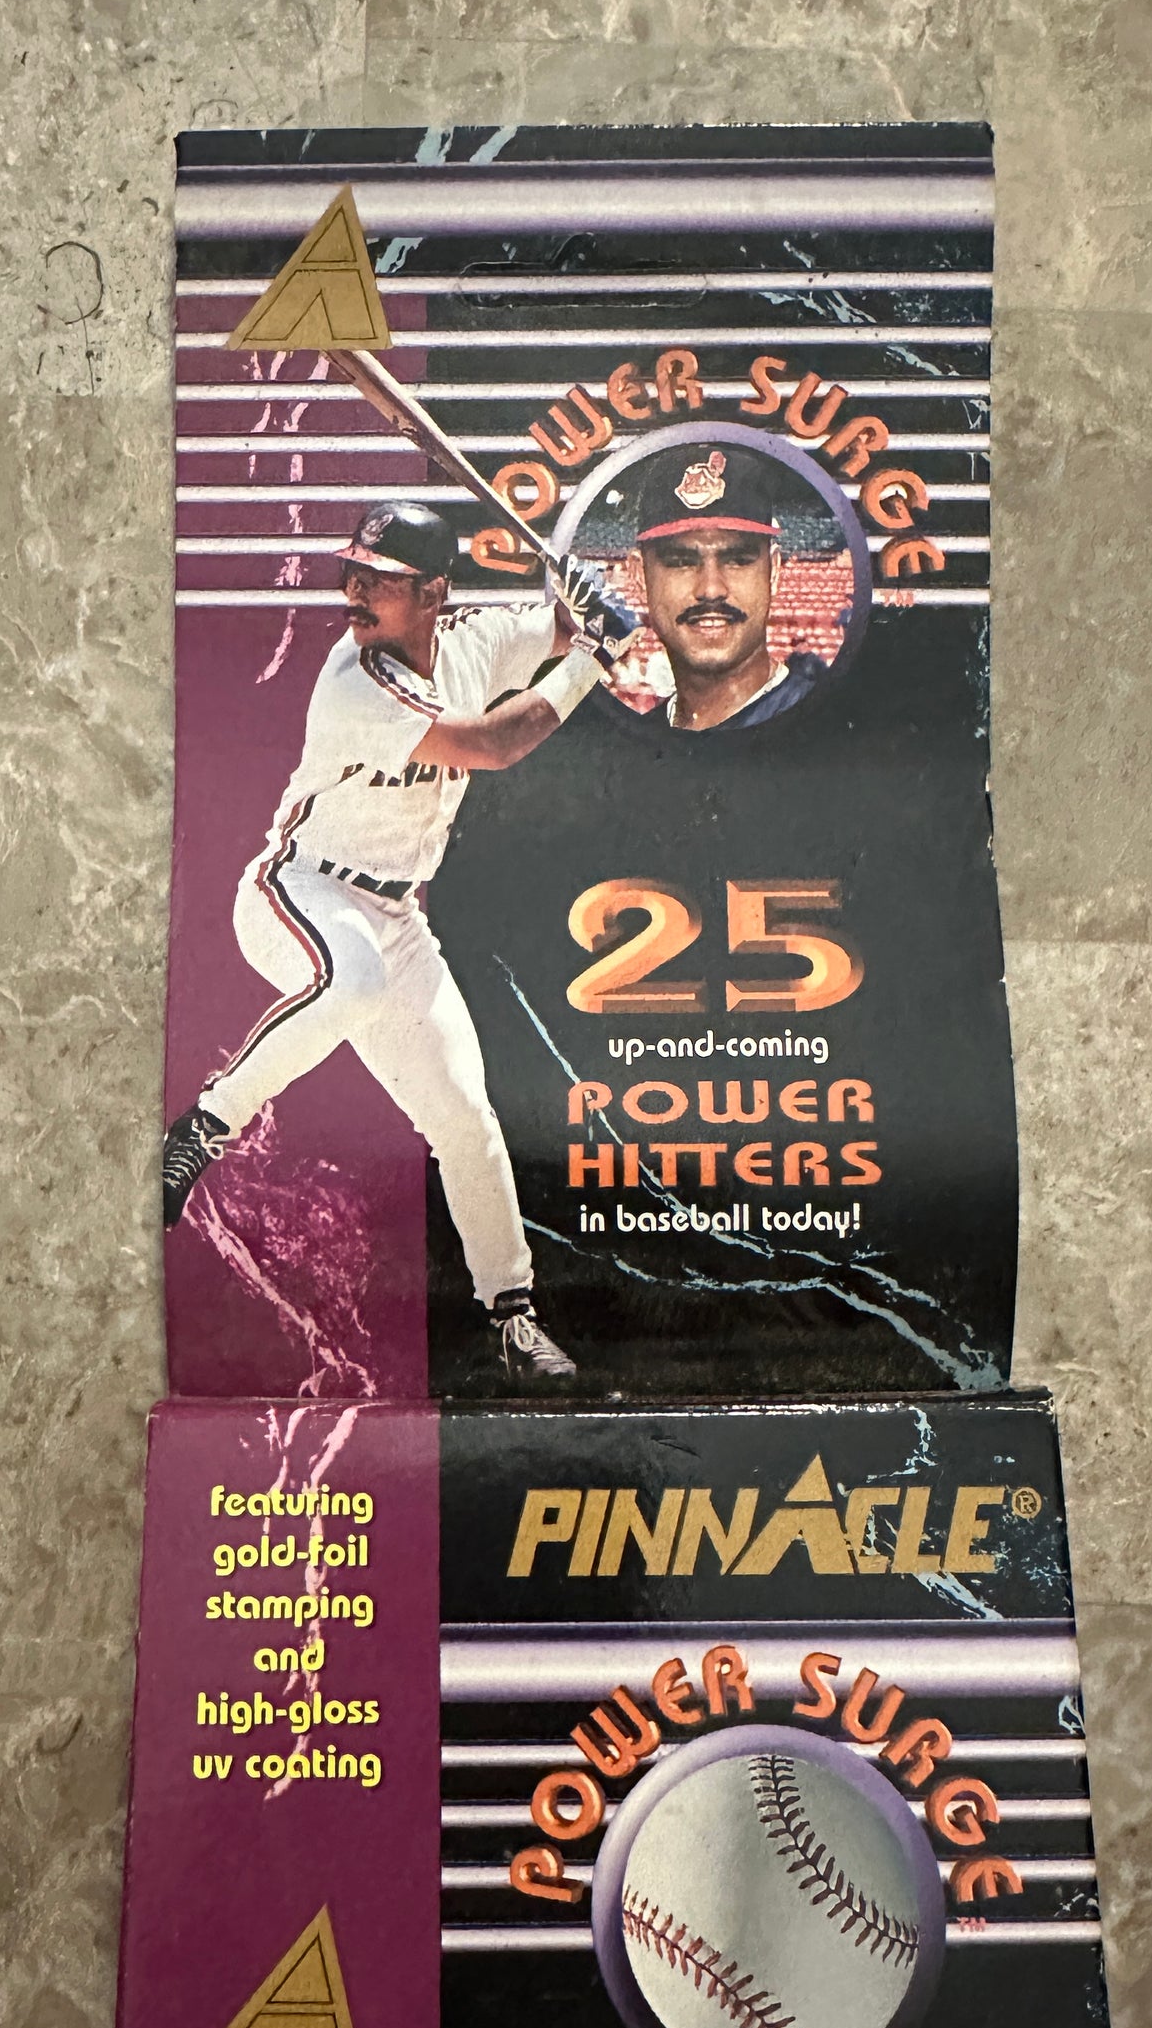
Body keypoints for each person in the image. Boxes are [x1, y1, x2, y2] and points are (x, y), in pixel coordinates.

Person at [161, 501, 631, 1388]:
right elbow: (494, 743)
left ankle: (512, 1316)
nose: (354, 592)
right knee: (353, 981)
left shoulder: (474, 641)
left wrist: (586, 606)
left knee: (464, 1117)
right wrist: (590, 662)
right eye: (352, 573)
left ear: (433, 594)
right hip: (298, 888)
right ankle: (205, 1126)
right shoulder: (353, 678)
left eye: (377, 580)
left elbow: (567, 625)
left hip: (395, 914)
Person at [614, 444, 830, 732]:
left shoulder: (826, 726)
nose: (711, 589)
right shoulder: (635, 742)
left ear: (774, 571)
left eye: (738, 560)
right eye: (680, 562)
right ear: (639, 576)